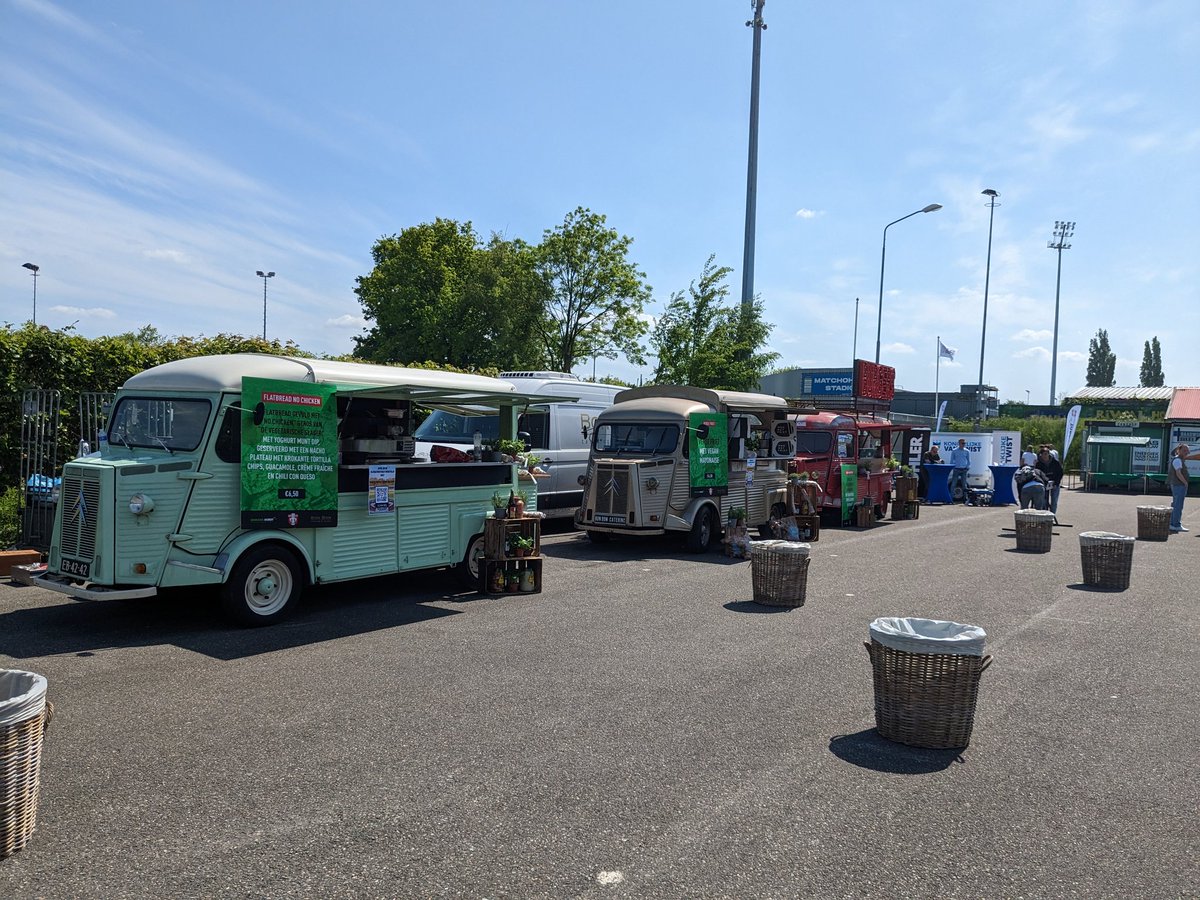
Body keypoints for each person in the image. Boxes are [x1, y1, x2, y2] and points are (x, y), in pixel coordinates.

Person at [1168, 443, 1195, 533]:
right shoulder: (1177, 460)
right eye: (1184, 450)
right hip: (1178, 485)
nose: (1187, 452)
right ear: (1179, 451)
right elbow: (1178, 473)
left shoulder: (1179, 460)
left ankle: (1173, 523)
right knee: (1178, 505)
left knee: (1176, 504)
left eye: (1187, 450)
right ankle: (1175, 524)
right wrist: (1185, 482)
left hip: (1177, 485)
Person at [1035, 446, 1064, 514]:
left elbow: (1060, 473)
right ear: (1041, 455)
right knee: (1043, 500)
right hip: (1044, 484)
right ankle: (1044, 515)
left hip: (1054, 483)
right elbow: (1037, 474)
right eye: (1043, 454)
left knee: (1054, 501)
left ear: (1049, 454)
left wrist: (1056, 483)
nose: (1045, 456)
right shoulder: (1038, 464)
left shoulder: (1055, 462)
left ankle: (1052, 516)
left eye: (1046, 454)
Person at [948, 438, 972, 503]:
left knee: (964, 484)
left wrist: (967, 467)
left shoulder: (967, 451)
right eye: (962, 443)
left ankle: (965, 499)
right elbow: (952, 460)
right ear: (959, 443)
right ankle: (951, 498)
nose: (963, 444)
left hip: (964, 469)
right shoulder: (954, 451)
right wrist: (952, 467)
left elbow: (969, 461)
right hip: (956, 469)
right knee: (953, 484)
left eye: (964, 443)